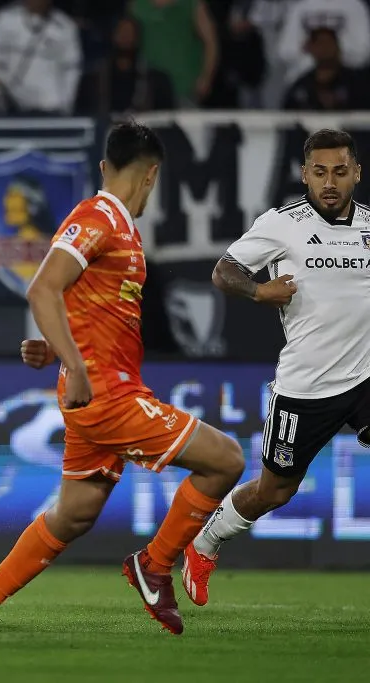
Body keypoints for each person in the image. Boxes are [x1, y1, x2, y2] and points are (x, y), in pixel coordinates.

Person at [0, 122, 245, 636]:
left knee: (74, 514)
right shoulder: (99, 218)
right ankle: (155, 564)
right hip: (106, 394)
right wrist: (72, 364)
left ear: (105, 166)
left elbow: (82, 305)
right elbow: (43, 289)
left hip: (94, 390)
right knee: (226, 459)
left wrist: (56, 348)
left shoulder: (115, 224)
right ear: (152, 175)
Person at [184, 129, 370, 606]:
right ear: (305, 175)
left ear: (357, 174)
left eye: (341, 171)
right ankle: (204, 544)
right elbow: (224, 272)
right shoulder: (282, 224)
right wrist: (260, 291)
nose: (331, 182)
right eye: (320, 172)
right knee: (274, 491)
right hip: (306, 387)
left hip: (366, 377)